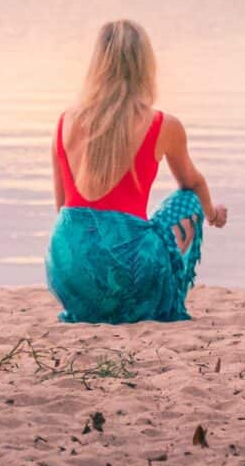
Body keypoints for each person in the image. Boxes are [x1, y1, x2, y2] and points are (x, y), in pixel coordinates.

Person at [45, 19, 227, 323]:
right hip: (130, 273)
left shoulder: (65, 121)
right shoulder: (163, 125)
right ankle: (165, 301)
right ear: (145, 65)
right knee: (187, 200)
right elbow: (193, 183)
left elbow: (62, 205)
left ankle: (98, 298)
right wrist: (211, 212)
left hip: (68, 273)